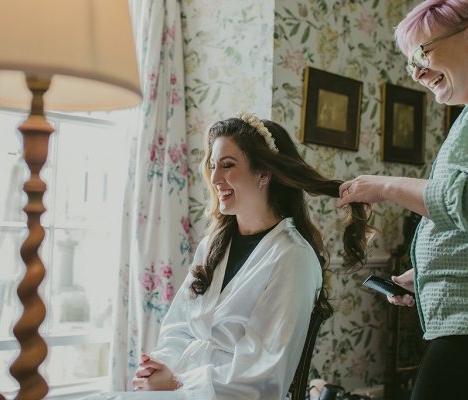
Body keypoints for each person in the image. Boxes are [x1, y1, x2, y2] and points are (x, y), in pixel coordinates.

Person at [336, 1, 468, 399]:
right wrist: (431, 274)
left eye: (422, 53)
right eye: (409, 62)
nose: (416, 72)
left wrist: (385, 187)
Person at [130, 112, 372, 399]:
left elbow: (267, 372)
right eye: (212, 166)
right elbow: (179, 327)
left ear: (264, 174)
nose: (215, 178)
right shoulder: (211, 247)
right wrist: (162, 367)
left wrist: (180, 382)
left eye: (228, 166)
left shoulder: (293, 258)